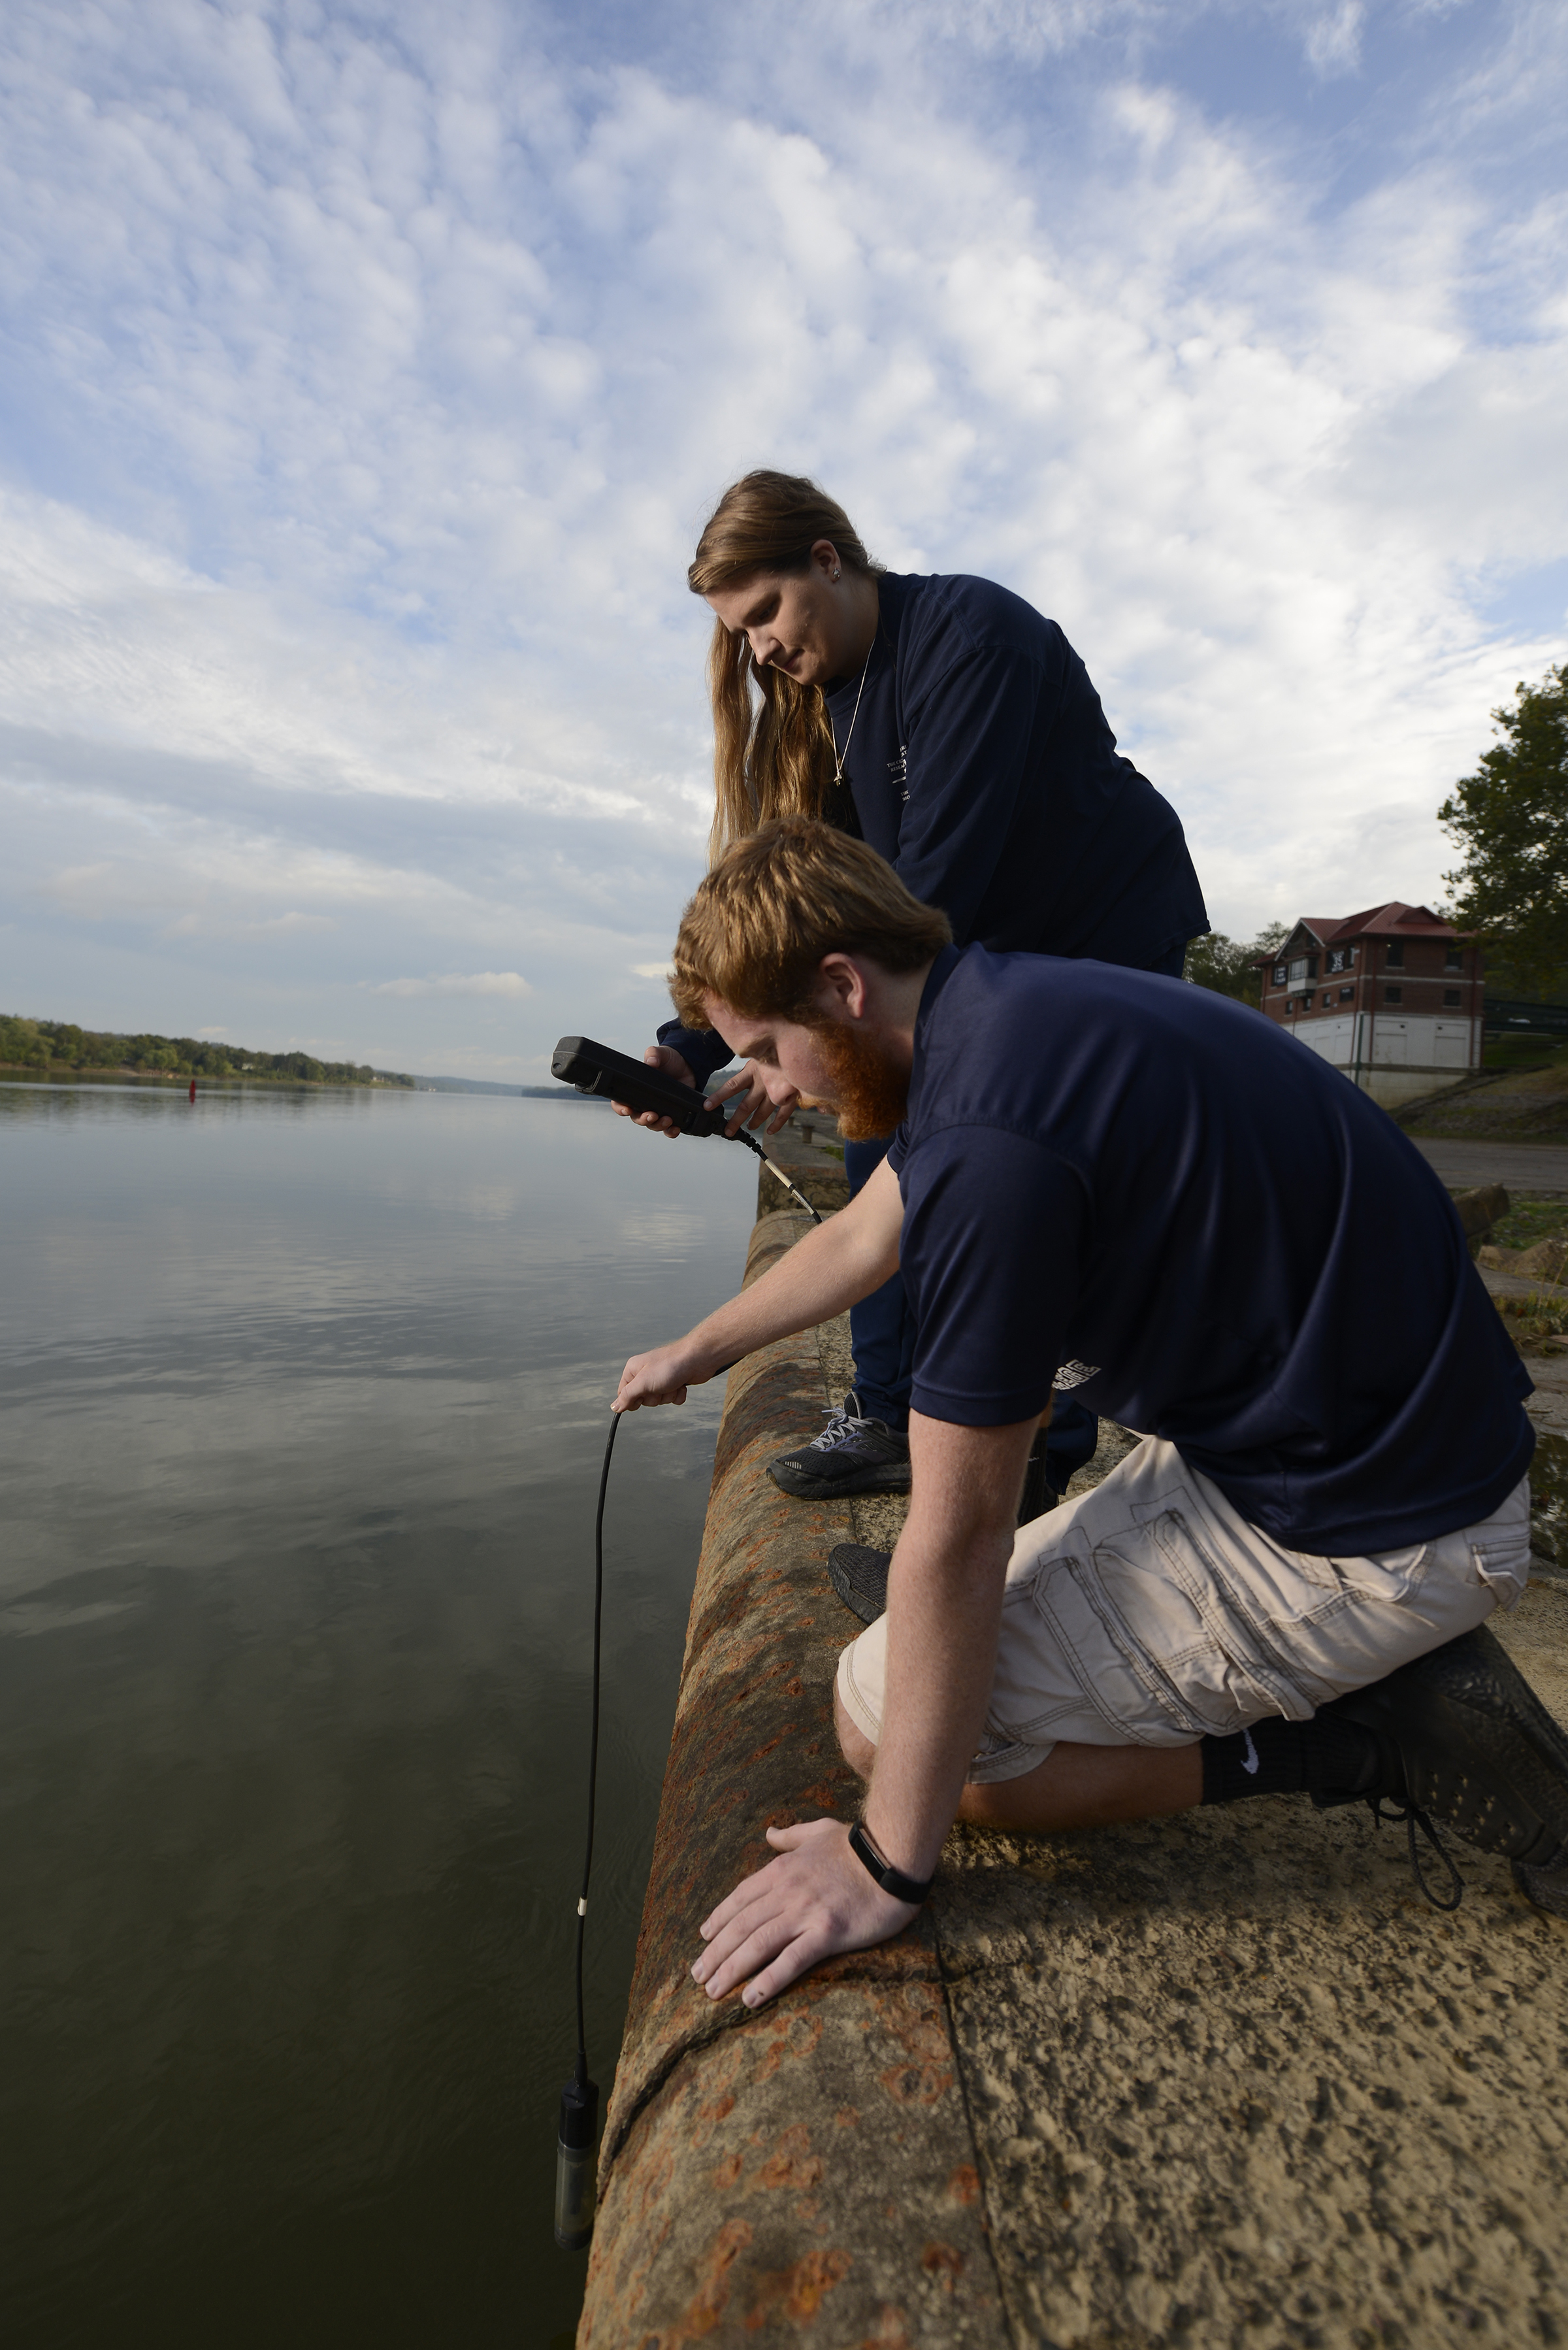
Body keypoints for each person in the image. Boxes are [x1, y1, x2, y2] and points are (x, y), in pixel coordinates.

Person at [613, 818, 1568, 2010]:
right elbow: (867, 1229)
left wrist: (885, 1869)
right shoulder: (997, 1011)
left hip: (1376, 1528)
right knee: (927, 1671)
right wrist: (696, 1351)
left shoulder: (990, 1150)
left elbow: (955, 1538)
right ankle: (1324, 1674)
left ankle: (1375, 1739)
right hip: (1343, 1439)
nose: (776, 1085)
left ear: (842, 987)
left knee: (884, 1724)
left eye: (766, 1045)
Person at [620, 471, 1208, 1509]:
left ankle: (1034, 1453)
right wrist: (699, 1046)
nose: (758, 648)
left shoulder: (970, 634)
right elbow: (792, 910)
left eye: (765, 613)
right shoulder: (824, 705)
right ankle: (890, 1412)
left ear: (828, 560)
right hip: (961, 939)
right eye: (739, 630)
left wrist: (802, 1039)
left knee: (1041, 1180)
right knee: (871, 1116)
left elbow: (932, 896)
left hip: (1093, 941)